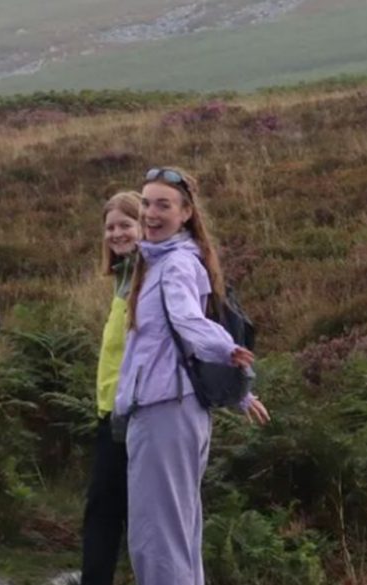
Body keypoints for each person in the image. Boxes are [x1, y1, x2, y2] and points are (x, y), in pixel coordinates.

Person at [113, 167, 269, 585]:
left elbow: (187, 320)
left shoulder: (176, 264)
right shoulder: (160, 260)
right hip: (173, 409)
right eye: (146, 203)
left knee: (156, 538)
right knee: (177, 532)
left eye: (164, 205)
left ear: (186, 213)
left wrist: (227, 351)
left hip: (165, 411)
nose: (150, 213)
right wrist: (239, 393)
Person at [79, 191, 141, 585]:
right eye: (110, 227)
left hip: (132, 413)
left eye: (125, 225)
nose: (116, 234)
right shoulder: (123, 277)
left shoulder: (146, 276)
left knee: (108, 510)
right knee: (108, 508)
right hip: (111, 411)